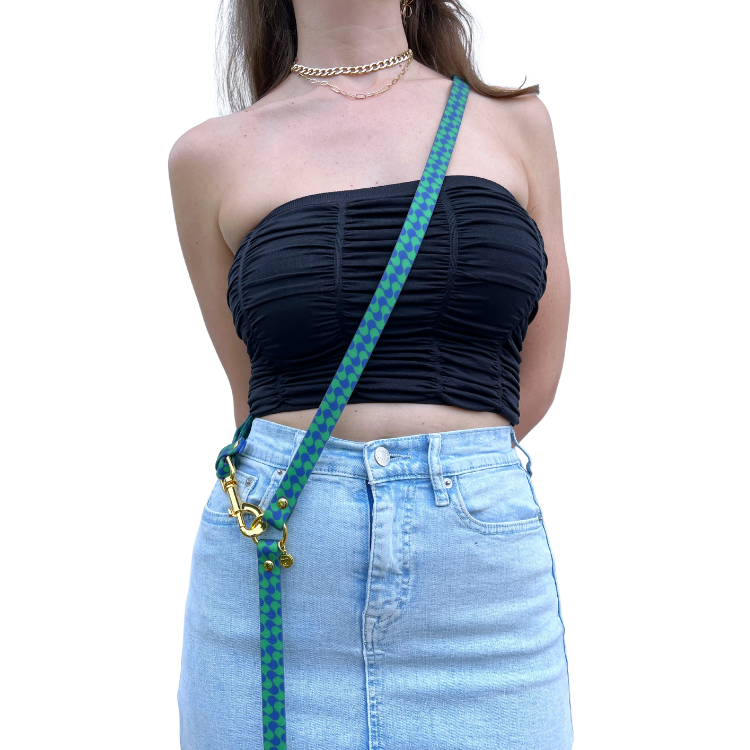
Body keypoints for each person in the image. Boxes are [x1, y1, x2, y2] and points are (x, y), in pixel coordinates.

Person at [167, 1, 573, 748]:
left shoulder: (515, 120)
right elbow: (249, 390)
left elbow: (537, 374)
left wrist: (446, 468)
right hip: (283, 549)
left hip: (479, 584)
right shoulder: (207, 156)